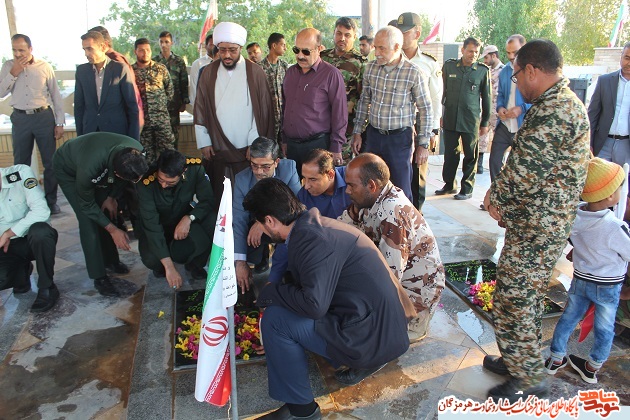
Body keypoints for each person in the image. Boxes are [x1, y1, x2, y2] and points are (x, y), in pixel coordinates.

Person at [243, 178, 415, 420]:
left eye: (260, 224)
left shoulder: (312, 239)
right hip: (378, 324)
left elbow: (313, 305)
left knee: (276, 320)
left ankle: (301, 412)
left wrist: (270, 294)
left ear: (270, 220)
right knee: (286, 305)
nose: (262, 230)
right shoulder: (313, 227)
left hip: (374, 336)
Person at [482, 40, 591, 402]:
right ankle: (519, 360)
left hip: (539, 227)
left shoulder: (556, 109)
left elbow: (526, 170)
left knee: (516, 298)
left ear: (531, 70)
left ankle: (529, 378)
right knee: (520, 295)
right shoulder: (556, 104)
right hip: (535, 221)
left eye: (517, 75)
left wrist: (496, 198)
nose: (517, 84)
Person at [339, 153, 444, 342]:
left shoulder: (393, 214)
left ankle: (414, 325)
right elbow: (341, 226)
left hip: (414, 295)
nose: (347, 191)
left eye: (351, 185)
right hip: (398, 281)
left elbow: (388, 278)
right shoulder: (369, 198)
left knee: (359, 333)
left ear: (371, 185)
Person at [544, 158, 630, 384]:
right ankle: (592, 366)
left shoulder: (574, 217)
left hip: (581, 279)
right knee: (605, 326)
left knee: (569, 317)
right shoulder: (615, 227)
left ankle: (555, 358)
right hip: (607, 285)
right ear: (610, 197)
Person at [53, 133, 149, 298]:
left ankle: (111, 260)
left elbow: (124, 180)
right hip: (68, 168)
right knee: (89, 221)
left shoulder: (137, 152)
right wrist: (113, 230)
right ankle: (99, 276)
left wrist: (111, 197)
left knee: (107, 211)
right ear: (116, 172)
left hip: (99, 161)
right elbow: (86, 205)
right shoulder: (89, 168)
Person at [194, 22, 275, 203]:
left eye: (232, 50)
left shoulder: (255, 72)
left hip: (246, 149)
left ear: (240, 48)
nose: (227, 55)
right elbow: (200, 108)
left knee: (248, 197)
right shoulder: (208, 72)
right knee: (220, 197)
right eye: (222, 50)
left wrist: (254, 145)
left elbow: (262, 113)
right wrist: (204, 141)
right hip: (217, 147)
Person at [352, 26, 433, 202]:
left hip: (399, 140)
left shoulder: (413, 72)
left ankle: (404, 220)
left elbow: (426, 109)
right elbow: (364, 101)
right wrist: (357, 132)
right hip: (373, 136)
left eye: (382, 48)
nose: (376, 53)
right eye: (375, 47)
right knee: (369, 185)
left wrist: (423, 144)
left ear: (397, 47)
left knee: (401, 189)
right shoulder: (371, 68)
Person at [0, 34, 64, 215]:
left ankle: (51, 201)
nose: (18, 54)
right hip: (20, 118)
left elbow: (56, 95)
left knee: (50, 162)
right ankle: (23, 201)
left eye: (21, 50)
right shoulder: (8, 66)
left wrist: (59, 122)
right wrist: (14, 73)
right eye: (14, 50)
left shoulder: (44, 67)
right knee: (20, 163)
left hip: (43, 117)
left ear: (30, 49)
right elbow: (0, 92)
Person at [267, 148, 352, 284]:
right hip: (324, 258)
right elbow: (289, 234)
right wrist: (273, 280)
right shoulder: (303, 196)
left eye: (312, 179)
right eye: (304, 179)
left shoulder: (353, 178)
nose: (306, 186)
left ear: (330, 174)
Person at [136, 150, 216, 288]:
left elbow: (207, 201)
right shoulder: (145, 182)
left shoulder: (195, 169)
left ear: (183, 172)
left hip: (183, 224)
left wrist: (189, 218)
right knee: (151, 259)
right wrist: (169, 267)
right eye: (161, 180)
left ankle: (195, 264)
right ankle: (161, 266)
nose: (163, 185)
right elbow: (152, 225)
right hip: (158, 226)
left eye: (170, 182)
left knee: (211, 221)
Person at [233, 137, 300, 292]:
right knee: (243, 241)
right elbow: (239, 220)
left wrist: (261, 223)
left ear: (276, 162)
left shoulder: (289, 169)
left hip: (283, 222)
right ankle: (260, 256)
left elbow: (296, 207)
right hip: (254, 224)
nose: (259, 171)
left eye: (265, 166)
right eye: (254, 165)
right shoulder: (242, 180)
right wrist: (240, 262)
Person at [282, 28, 348, 176]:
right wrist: (285, 140)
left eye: (306, 51)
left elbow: (340, 113)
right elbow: (285, 108)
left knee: (317, 187)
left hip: (318, 146)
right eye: (296, 50)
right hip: (292, 146)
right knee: (294, 188)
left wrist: (336, 147)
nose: (300, 56)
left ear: (319, 49)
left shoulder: (331, 75)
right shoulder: (290, 73)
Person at [395, 12, 442, 210]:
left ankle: (417, 218)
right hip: (396, 125)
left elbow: (435, 99)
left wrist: (432, 131)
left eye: (406, 32)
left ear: (417, 33)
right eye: (399, 32)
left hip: (420, 124)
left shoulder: (429, 63)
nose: (401, 36)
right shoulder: (391, 58)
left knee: (417, 177)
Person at [436, 37, 491, 200]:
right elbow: (441, 92)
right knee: (450, 154)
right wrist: (440, 115)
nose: (473, 55)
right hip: (451, 117)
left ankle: (467, 188)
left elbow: (487, 98)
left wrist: (485, 122)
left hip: (470, 120)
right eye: (470, 51)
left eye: (476, 52)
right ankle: (449, 185)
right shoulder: (449, 66)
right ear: (463, 50)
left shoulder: (482, 71)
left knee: (470, 155)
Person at [0, 164, 59, 312]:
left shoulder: (20, 174)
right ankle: (21, 274)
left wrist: (9, 233)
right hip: (5, 248)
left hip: (31, 241)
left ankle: (47, 287)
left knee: (41, 232)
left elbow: (41, 211)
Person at [74, 31, 140, 140]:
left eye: (90, 49)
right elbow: (79, 107)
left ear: (103, 47)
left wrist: (134, 141)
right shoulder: (82, 71)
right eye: (84, 49)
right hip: (90, 132)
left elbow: (131, 106)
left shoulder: (120, 69)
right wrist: (80, 139)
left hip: (116, 133)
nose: (86, 54)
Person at [320, 17, 366, 163]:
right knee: (319, 167)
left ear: (354, 37)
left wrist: (358, 131)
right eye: (339, 33)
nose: (342, 38)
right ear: (333, 33)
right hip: (319, 126)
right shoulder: (322, 57)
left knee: (340, 168)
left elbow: (365, 99)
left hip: (345, 130)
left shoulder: (360, 63)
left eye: (347, 35)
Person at [489, 35, 530, 183]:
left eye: (515, 52)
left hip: (523, 126)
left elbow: (538, 99)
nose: (511, 56)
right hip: (505, 125)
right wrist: (500, 108)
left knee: (518, 166)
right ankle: (495, 192)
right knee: (494, 160)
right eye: (508, 52)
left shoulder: (531, 71)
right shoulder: (505, 71)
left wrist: (521, 109)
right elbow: (500, 95)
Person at [89, 25, 144, 129]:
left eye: (91, 47)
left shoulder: (115, 61)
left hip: (125, 120)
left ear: (104, 44)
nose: (88, 53)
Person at [132, 38, 176, 165]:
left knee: (168, 154)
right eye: (141, 50)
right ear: (135, 52)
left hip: (161, 120)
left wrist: (160, 106)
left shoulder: (160, 68)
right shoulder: (131, 71)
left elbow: (169, 91)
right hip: (143, 123)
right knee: (145, 157)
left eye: (148, 50)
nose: (145, 53)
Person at [589, 41, 630, 167]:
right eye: (627, 58)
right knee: (598, 178)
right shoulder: (605, 81)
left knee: (622, 179)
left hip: (626, 146)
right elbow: (592, 114)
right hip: (603, 143)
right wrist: (588, 142)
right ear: (621, 57)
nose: (629, 63)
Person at [153, 30, 190, 146]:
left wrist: (184, 102)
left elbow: (184, 82)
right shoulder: (154, 62)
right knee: (160, 134)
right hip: (159, 105)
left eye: (166, 42)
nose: (164, 45)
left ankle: (174, 155)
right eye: (161, 42)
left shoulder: (178, 61)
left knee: (174, 133)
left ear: (171, 43)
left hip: (174, 103)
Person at [478, 44, 504, 175]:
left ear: (494, 56)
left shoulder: (504, 71)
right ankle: (479, 164)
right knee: (481, 137)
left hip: (498, 110)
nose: (485, 60)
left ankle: (499, 166)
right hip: (486, 109)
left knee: (499, 139)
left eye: (486, 57)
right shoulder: (485, 70)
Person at [259, 32, 289, 143]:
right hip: (268, 117)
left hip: (284, 116)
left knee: (284, 146)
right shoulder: (260, 67)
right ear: (274, 45)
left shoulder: (284, 66)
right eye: (283, 45)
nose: (285, 48)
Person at [190, 33, 214, 106]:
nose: (214, 47)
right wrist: (196, 106)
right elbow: (194, 86)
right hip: (202, 104)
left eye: (216, 45)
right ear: (206, 46)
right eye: (211, 45)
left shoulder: (223, 63)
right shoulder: (198, 63)